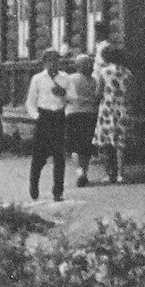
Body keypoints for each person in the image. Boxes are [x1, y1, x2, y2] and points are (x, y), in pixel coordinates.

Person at [24, 48, 70, 203]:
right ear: (44, 63)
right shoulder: (38, 79)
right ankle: (34, 186)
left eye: (56, 60)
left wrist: (63, 93)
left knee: (59, 156)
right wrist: (37, 117)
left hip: (58, 116)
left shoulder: (65, 78)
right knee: (39, 155)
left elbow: (73, 97)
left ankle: (58, 191)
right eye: (50, 61)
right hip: (44, 116)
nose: (53, 64)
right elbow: (30, 102)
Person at [92, 46, 136, 184]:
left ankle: (108, 174)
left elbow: (98, 92)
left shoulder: (104, 72)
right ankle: (121, 174)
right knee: (120, 143)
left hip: (108, 109)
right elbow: (132, 92)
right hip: (123, 108)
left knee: (106, 142)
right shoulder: (128, 73)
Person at [64, 53, 101, 187]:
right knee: (86, 146)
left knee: (76, 145)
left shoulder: (70, 79)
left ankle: (80, 172)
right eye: (88, 64)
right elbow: (98, 97)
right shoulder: (94, 80)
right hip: (90, 113)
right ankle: (83, 172)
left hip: (74, 113)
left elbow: (64, 96)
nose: (91, 66)